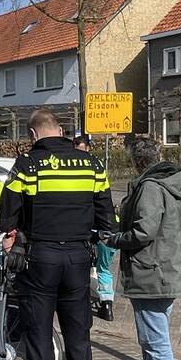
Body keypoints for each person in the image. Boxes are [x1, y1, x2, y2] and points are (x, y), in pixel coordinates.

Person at [0, 110, 116, 360]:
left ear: (34, 135)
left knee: (39, 348)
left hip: (40, 261)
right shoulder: (92, 165)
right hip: (78, 261)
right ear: (62, 131)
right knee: (79, 345)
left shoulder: (28, 165)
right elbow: (107, 217)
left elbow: (6, 215)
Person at [103, 138, 181, 360]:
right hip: (167, 269)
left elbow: (144, 232)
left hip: (152, 271)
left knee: (155, 341)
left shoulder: (151, 187)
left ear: (137, 161)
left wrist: (114, 238)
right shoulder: (170, 183)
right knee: (155, 336)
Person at [73, 134, 117, 322]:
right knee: (103, 268)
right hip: (108, 228)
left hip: (93, 229)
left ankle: (95, 304)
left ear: (88, 148)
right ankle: (107, 305)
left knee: (93, 267)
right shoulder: (96, 168)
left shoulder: (81, 168)